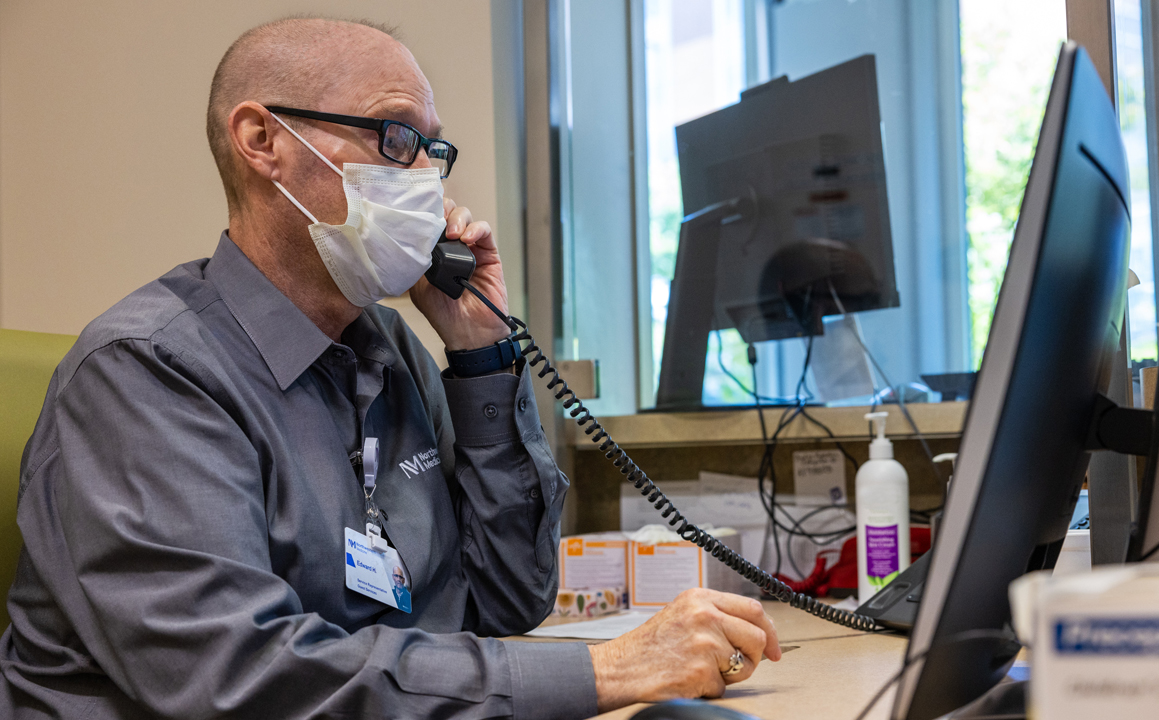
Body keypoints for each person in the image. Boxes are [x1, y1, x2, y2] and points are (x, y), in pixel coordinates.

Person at [0, 16, 781, 720]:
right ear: (262, 141)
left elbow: (509, 597)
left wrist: (478, 353)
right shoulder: (145, 375)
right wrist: (604, 671)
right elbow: (238, 677)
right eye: (396, 138)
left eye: (434, 151)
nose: (425, 181)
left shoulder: (391, 350)